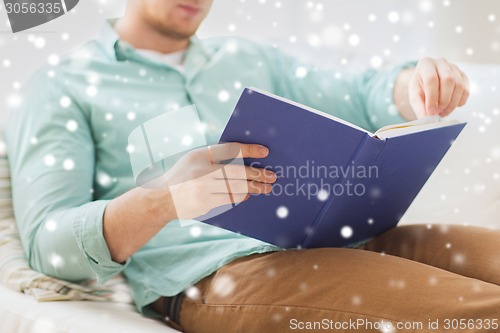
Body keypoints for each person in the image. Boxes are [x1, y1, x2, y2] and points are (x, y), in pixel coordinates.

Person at [6, 0, 500, 332]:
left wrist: (415, 84)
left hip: (350, 239)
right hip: (223, 275)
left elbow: (363, 93)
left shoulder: (250, 58)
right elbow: (50, 247)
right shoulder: (62, 84)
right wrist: (165, 200)